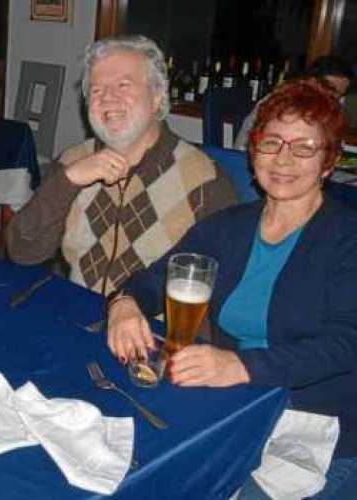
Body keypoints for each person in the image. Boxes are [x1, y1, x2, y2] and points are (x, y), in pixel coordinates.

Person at [107, 80, 357, 498]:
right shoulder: (229, 226)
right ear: (253, 150)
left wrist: (241, 367)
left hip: (320, 426)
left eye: (304, 147)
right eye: (272, 142)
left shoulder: (347, 238)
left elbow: (346, 343)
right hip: (237, 406)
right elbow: (159, 275)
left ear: (328, 162)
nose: (283, 159)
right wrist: (125, 302)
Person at [6, 35, 237, 298]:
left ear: (157, 97)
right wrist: (67, 180)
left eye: (123, 85)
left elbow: (224, 284)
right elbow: (23, 252)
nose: (107, 98)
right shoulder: (73, 162)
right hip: (79, 311)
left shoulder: (204, 181)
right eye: (96, 90)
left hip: (151, 321)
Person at [234, 56, 354, 150]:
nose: (335, 98)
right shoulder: (283, 104)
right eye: (331, 89)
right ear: (312, 82)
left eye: (340, 94)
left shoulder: (327, 108)